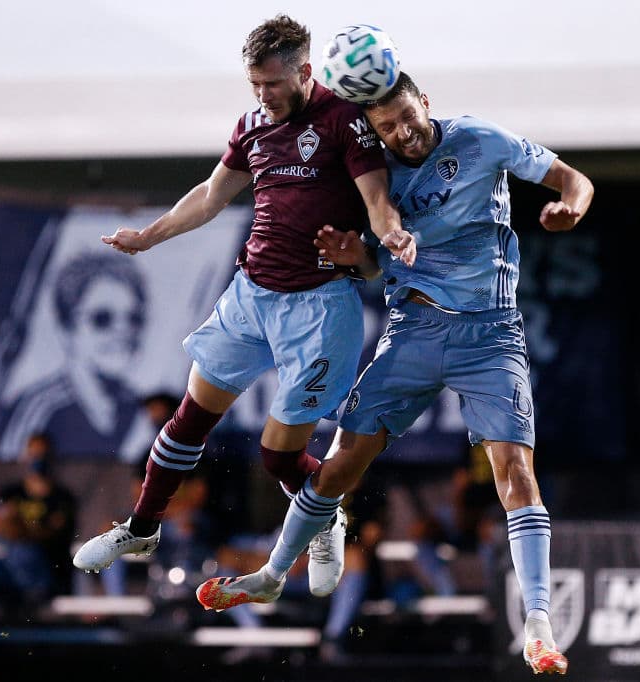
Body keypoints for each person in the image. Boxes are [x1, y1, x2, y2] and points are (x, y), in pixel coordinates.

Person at [195, 71, 593, 676]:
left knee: (513, 470)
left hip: (491, 335)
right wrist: (355, 258)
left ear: (425, 102)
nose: (404, 133)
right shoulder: (372, 176)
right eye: (387, 127)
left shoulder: (480, 138)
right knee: (339, 464)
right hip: (413, 333)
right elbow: (377, 266)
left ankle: (538, 622)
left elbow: (572, 178)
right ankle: (273, 575)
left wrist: (571, 206)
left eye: (408, 117)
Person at [72, 14, 416, 605]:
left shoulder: (343, 122)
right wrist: (148, 237)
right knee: (188, 419)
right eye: (254, 84)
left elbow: (378, 201)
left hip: (319, 309)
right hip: (250, 297)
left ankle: (324, 514)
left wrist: (392, 237)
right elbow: (211, 194)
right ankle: (141, 529)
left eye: (273, 84)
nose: (262, 96)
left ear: (305, 72)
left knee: (276, 452)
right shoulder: (253, 126)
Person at [0, 251, 152, 461]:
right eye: (102, 319)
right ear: (66, 329)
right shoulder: (41, 407)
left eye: (134, 318)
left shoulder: (136, 407)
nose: (123, 332)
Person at [0, 433, 77, 634]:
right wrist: (3, 523)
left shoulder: (62, 498)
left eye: (42, 454)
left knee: (22, 551)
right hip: (6, 572)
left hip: (40, 576)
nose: (37, 460)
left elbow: (47, 535)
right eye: (33, 454)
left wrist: (19, 526)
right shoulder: (11, 493)